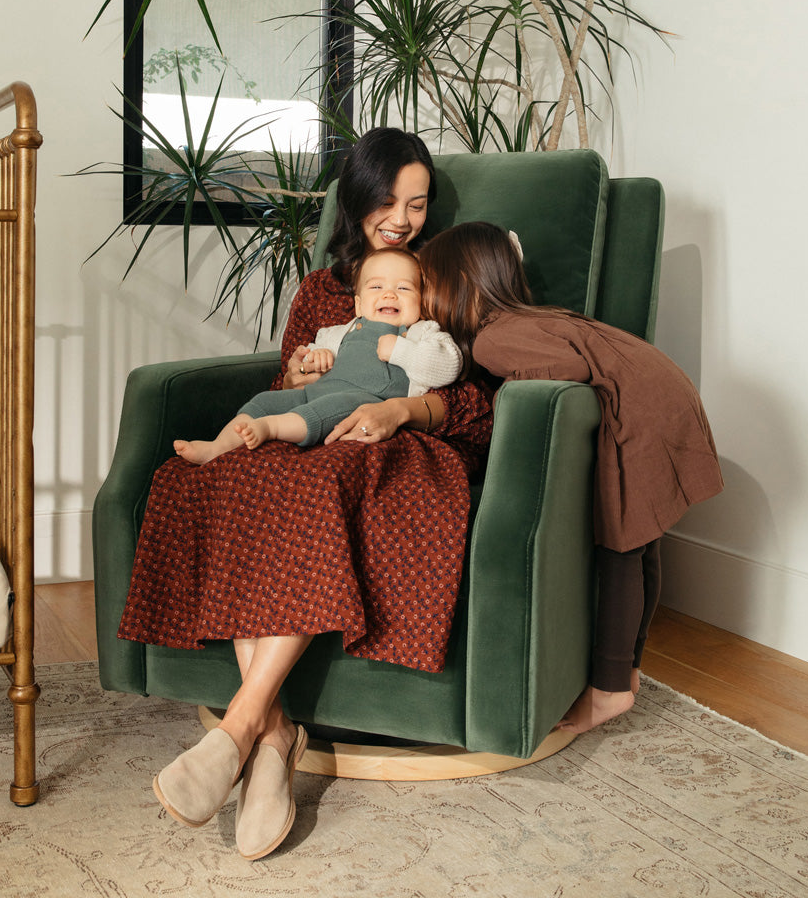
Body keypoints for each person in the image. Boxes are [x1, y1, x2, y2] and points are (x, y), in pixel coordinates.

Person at [117, 128, 492, 860]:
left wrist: (400, 410)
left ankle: (241, 726)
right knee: (211, 475)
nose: (403, 216)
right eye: (389, 199)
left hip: (395, 446)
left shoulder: (436, 276)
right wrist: (298, 373)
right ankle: (274, 734)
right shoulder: (322, 289)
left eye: (418, 204)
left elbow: (476, 397)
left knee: (314, 482)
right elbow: (291, 382)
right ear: (357, 198)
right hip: (311, 430)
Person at [417, 221, 723, 735]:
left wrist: (501, 398)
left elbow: (566, 369)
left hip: (640, 414)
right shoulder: (524, 317)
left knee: (621, 548)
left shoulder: (494, 340)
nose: (424, 298)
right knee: (642, 545)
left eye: (428, 284)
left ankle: (609, 689)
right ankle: (628, 670)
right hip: (664, 394)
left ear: (457, 284)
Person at [173, 247, 462, 464]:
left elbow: (448, 365)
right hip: (320, 390)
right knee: (265, 400)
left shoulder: (422, 332)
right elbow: (312, 354)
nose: (389, 294)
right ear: (358, 305)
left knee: (332, 407)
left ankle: (270, 427)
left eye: (403, 288)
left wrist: (401, 350)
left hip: (366, 403)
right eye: (377, 287)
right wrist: (315, 359)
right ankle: (217, 447)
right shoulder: (345, 329)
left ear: (422, 303)